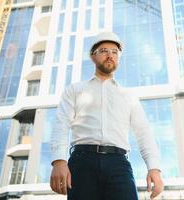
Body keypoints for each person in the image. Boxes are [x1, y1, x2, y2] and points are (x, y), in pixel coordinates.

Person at [50, 31, 164, 200]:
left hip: (118, 164)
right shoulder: (75, 90)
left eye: (115, 52)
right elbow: (61, 123)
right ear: (93, 56)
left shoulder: (128, 95)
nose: (110, 55)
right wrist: (59, 161)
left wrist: (154, 167)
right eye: (104, 50)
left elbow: (143, 132)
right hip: (82, 162)